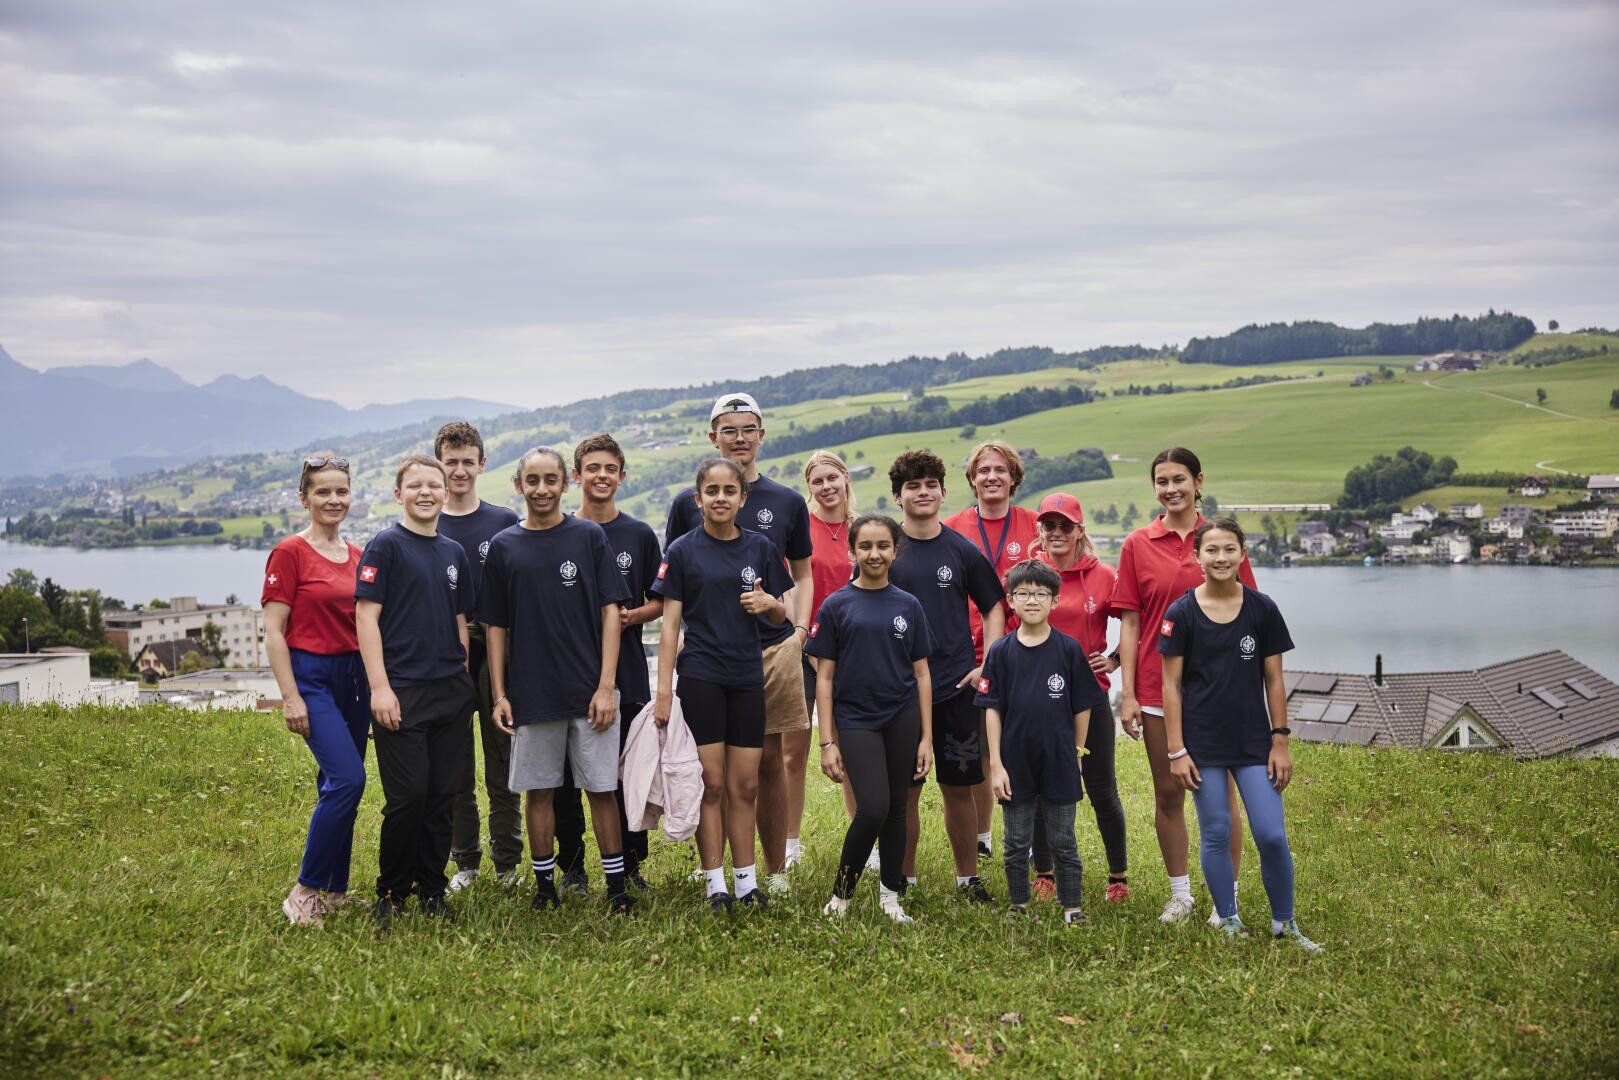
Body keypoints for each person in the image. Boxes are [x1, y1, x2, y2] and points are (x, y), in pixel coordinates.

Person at [665, 393, 812, 893]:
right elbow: (672, 610)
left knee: (763, 768)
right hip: (707, 663)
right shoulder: (685, 529)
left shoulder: (783, 509)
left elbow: (796, 584)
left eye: (748, 429)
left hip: (765, 656)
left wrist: (792, 627)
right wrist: (667, 687)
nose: (740, 437)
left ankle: (766, 874)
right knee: (712, 777)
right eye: (730, 429)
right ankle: (713, 874)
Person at [1160, 518, 1323, 954]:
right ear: (1197, 557)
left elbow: (1274, 680)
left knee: (1271, 833)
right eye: (1211, 550)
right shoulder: (1181, 614)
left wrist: (1281, 741)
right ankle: (1228, 919)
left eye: (1229, 549)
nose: (1220, 558)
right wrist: (1177, 750)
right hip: (1203, 743)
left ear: (1243, 554)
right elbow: (1170, 687)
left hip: (1254, 742)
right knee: (1215, 830)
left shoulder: (1261, 608)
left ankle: (1284, 923)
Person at [483, 447, 633, 914]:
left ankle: (617, 889)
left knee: (602, 790)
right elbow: (495, 627)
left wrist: (606, 685)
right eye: (533, 480)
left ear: (565, 483)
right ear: (519, 485)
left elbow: (612, 611)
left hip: (590, 693)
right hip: (532, 694)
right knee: (540, 791)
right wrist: (500, 694)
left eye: (551, 480)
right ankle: (545, 887)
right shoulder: (505, 546)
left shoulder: (588, 537)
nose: (542, 489)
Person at [1113, 447, 1256, 925]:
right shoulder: (1137, 543)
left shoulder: (1220, 540)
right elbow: (1130, 625)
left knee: (1222, 799)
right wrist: (1128, 692)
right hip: (1156, 688)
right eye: (1161, 481)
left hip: (1218, 691)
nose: (1171, 488)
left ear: (1199, 481)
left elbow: (1248, 611)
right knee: (1168, 792)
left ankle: (1226, 898)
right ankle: (1181, 894)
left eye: (1179, 479)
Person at [653, 458, 792, 912]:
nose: (720, 498)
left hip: (748, 676)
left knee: (746, 784)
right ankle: (715, 884)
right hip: (701, 678)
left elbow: (780, 616)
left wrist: (771, 603)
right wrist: (663, 691)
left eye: (729, 491)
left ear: (741, 498)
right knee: (710, 784)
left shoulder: (762, 548)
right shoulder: (682, 550)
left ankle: (747, 884)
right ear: (698, 499)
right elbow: (670, 628)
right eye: (711, 491)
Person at [355, 455, 477, 929]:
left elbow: (458, 620)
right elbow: (366, 617)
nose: (426, 492)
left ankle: (432, 887)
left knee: (443, 795)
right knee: (408, 797)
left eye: (434, 485)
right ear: (398, 494)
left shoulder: (453, 553)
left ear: (446, 493)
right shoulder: (386, 546)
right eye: (415, 485)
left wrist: (463, 677)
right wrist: (380, 688)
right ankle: (391, 891)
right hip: (401, 692)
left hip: (450, 691)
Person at [885, 450, 1006, 903]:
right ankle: (904, 879)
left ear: (942, 492)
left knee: (960, 788)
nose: (923, 492)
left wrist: (987, 663)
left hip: (956, 686)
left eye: (930, 485)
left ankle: (967, 879)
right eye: (912, 486)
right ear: (898, 497)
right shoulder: (885, 548)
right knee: (906, 793)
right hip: (901, 692)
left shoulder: (960, 549)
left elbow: (995, 606)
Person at [808, 514, 932, 924]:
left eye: (883, 546)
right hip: (856, 719)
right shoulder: (836, 605)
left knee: (897, 808)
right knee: (873, 807)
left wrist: (926, 738)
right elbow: (824, 677)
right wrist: (827, 742)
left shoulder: (908, 605)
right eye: (865, 546)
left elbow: (921, 674)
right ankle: (840, 898)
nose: (874, 554)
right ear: (853, 551)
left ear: (895, 551)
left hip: (902, 716)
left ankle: (890, 898)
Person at [552, 433, 662, 893]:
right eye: (591, 468)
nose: (601, 476)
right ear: (577, 475)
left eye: (609, 468)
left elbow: (661, 600)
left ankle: (630, 866)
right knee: (564, 776)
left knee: (624, 769)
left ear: (622, 475)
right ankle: (572, 865)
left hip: (629, 668)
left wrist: (631, 616)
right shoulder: (557, 530)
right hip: (567, 668)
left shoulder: (637, 534)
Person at [264, 452, 370, 926]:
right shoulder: (290, 552)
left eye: (341, 491)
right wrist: (290, 696)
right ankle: (304, 890)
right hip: (312, 676)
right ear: (304, 498)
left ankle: (333, 891)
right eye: (323, 492)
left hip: (355, 678)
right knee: (349, 780)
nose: (333, 499)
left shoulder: (358, 556)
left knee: (336, 784)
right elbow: (272, 630)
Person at [978, 559, 1105, 926]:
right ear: (1010, 601)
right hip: (1014, 763)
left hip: (1059, 760)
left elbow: (1083, 706)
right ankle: (1019, 904)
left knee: (1064, 840)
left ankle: (1072, 907)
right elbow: (992, 710)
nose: (1031, 600)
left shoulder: (1068, 650)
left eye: (1040, 593)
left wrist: (1078, 751)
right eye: (1022, 593)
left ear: (1054, 601)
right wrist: (996, 764)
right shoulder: (1000, 652)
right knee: (1016, 842)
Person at [433, 421, 523, 893]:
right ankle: (465, 860)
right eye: (451, 463)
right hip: (446, 653)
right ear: (439, 466)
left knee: (503, 760)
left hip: (496, 649)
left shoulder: (504, 522)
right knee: (454, 765)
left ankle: (508, 863)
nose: (460, 470)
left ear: (483, 463)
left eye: (469, 461)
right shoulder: (429, 522)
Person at [1029, 493, 1130, 904]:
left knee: (1102, 788)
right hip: (1038, 699)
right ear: (1040, 530)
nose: (1056, 533)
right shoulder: (1028, 574)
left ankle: (1117, 878)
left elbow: (1134, 621)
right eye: (1049, 526)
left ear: (1079, 530)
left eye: (1064, 526)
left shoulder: (1103, 576)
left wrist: (1116, 659)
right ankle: (1044, 874)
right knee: (1039, 791)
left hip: (1090, 698)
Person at [944, 440, 1040, 862]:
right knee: (981, 751)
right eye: (983, 470)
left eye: (1000, 470)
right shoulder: (951, 527)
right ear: (972, 479)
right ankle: (982, 837)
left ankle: (1030, 837)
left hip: (1027, 650)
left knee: (1024, 746)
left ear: (1014, 477)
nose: (991, 477)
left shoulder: (1035, 524)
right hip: (968, 653)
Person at [801, 451, 861, 831]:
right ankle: (790, 847)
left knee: (853, 748)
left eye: (831, 478)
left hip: (857, 650)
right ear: (809, 488)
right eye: (817, 481)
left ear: (845, 478)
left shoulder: (864, 528)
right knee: (793, 753)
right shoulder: (801, 528)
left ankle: (864, 833)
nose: (826, 487)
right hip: (808, 649)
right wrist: (808, 643)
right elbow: (795, 586)